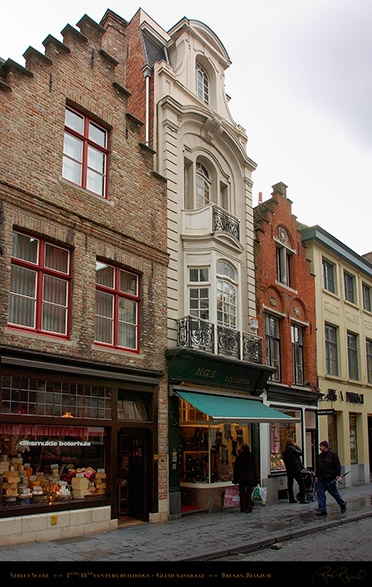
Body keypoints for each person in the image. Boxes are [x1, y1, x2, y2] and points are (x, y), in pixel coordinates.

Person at [315, 440, 347, 516]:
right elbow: (318, 467)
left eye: (321, 446)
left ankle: (342, 504)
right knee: (320, 493)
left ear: (325, 447)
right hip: (321, 478)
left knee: (334, 493)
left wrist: (338, 475)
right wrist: (316, 476)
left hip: (330, 478)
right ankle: (322, 509)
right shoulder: (319, 456)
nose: (320, 447)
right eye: (320, 446)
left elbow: (337, 466)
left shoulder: (333, 455)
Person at [233, 444, 259, 513]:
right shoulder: (251, 457)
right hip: (249, 477)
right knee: (249, 493)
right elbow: (255, 468)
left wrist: (235, 479)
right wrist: (257, 479)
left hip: (241, 477)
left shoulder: (239, 457)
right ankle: (249, 507)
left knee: (242, 493)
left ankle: (243, 507)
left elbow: (236, 469)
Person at [282, 438, 307, 504]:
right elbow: (300, 453)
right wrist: (297, 446)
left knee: (290, 484)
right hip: (295, 469)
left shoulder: (284, 451)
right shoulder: (292, 449)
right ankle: (302, 499)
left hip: (289, 469)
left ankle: (291, 498)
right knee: (301, 483)